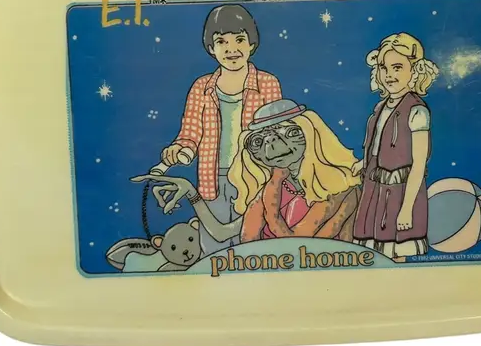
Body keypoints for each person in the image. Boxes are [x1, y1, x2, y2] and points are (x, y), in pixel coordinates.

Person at [135, 99, 360, 244]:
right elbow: (222, 233)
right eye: (258, 141)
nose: (271, 144)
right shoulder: (271, 190)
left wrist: (272, 193)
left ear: (311, 134)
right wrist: (191, 193)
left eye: (289, 132)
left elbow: (297, 242)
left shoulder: (339, 187)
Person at [154, 4, 282, 255]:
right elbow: (190, 134)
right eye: (222, 42)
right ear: (211, 48)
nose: (232, 49)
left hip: (256, 179)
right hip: (212, 180)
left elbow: (275, 134)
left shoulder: (267, 83)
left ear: (251, 44)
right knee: (213, 248)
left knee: (255, 245)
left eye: (239, 40)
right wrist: (178, 151)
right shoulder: (201, 87)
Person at [351, 33, 439, 261]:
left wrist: (407, 208)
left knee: (396, 250)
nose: (389, 75)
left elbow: (419, 164)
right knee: (373, 249)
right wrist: (363, 163)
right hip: (375, 189)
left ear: (414, 71)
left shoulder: (417, 111)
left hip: (400, 193)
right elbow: (378, 145)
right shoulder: (381, 107)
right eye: (384, 68)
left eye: (397, 67)